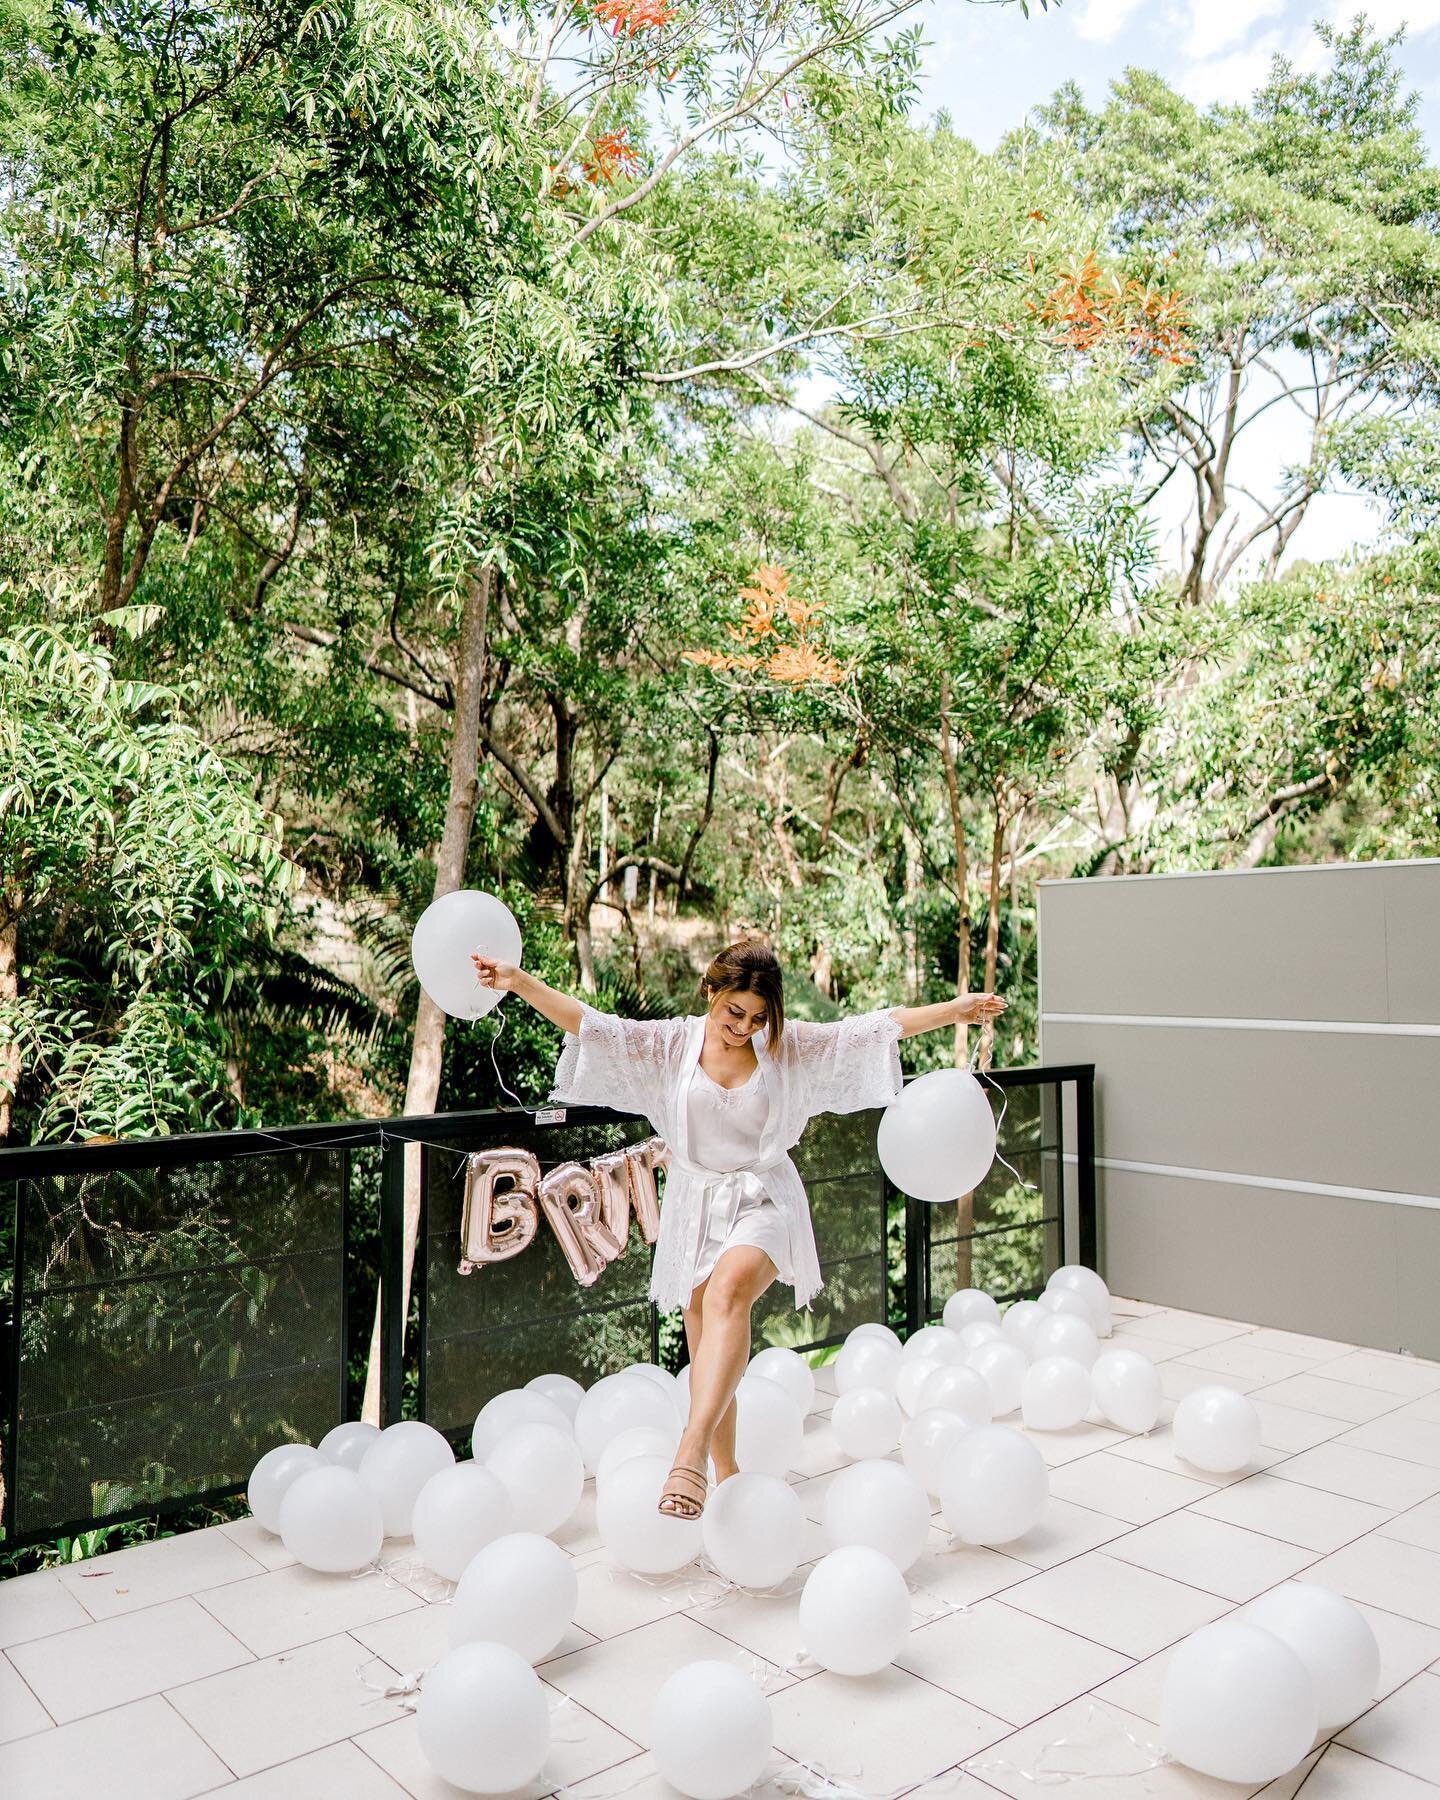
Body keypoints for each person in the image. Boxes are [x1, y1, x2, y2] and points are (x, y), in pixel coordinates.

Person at [470, 937, 1005, 1520]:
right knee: (707, 1346)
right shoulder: (673, 1044)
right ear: (711, 993)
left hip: (765, 1197)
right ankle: (726, 1479)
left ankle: (689, 1452)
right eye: (734, 1013)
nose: (744, 1028)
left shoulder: (786, 1047)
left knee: (729, 1294)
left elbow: (873, 1029)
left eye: (756, 1019)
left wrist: (953, 1011)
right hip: (695, 1204)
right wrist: (518, 982)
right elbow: (593, 1026)